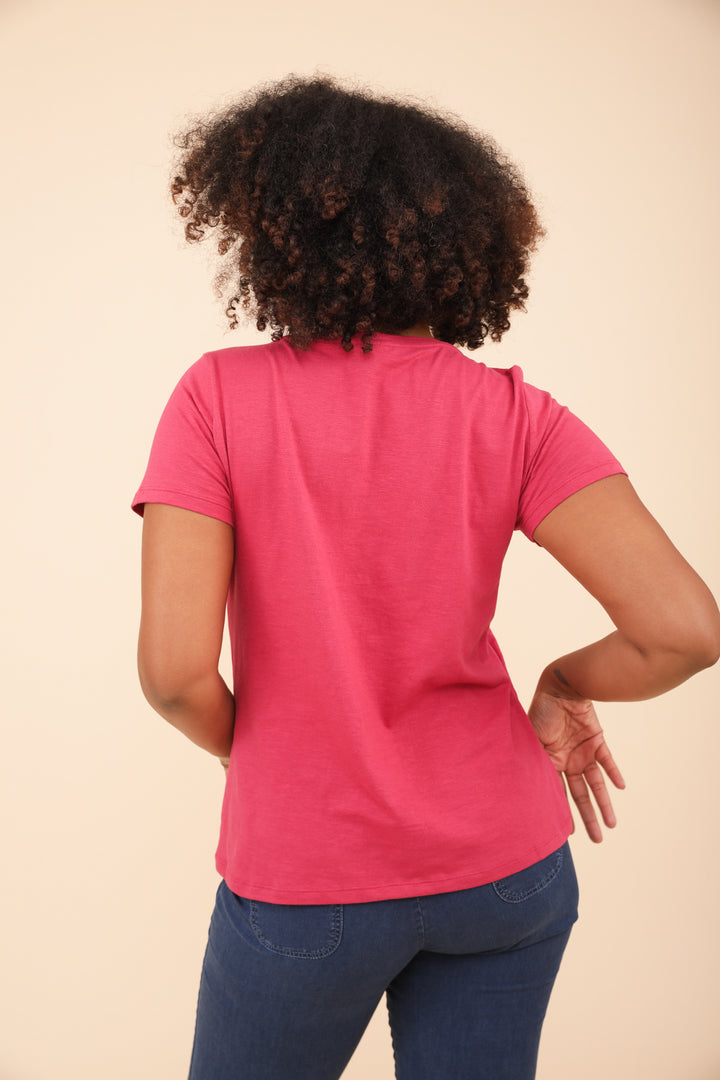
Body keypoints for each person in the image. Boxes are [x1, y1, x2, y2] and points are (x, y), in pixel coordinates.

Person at [131, 74, 720, 1080]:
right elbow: (686, 629)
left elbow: (177, 674)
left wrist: (265, 757)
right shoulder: (515, 415)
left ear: (276, 234)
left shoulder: (217, 400)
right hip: (510, 875)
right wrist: (564, 684)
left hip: (308, 880)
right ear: (461, 252)